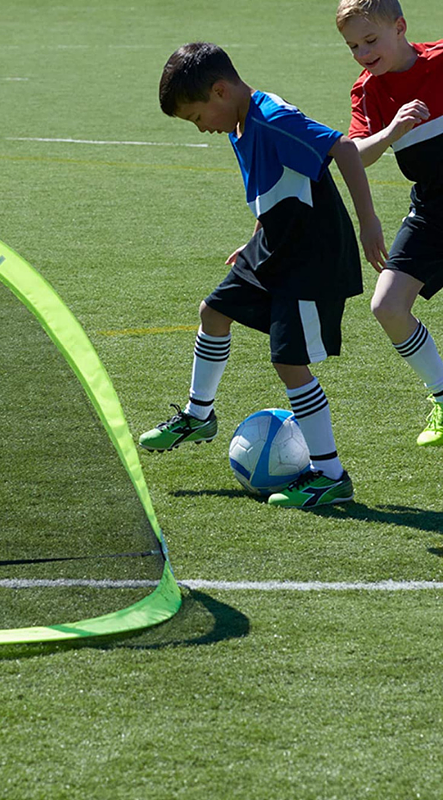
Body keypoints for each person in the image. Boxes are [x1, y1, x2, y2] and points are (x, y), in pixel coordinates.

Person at [138, 42, 386, 508]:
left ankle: (331, 476)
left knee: (289, 362)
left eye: (196, 118)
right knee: (213, 311)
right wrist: (255, 234)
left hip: (311, 258)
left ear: (219, 90)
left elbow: (346, 150)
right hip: (273, 245)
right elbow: (274, 182)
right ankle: (198, 415)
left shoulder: (273, 119)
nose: (201, 128)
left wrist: (369, 222)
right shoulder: (238, 121)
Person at [336, 0, 443, 446]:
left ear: (400, 28)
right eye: (353, 46)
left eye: (370, 40)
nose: (362, 52)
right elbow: (355, 154)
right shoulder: (369, 92)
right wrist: (394, 129)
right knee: (387, 305)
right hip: (433, 209)